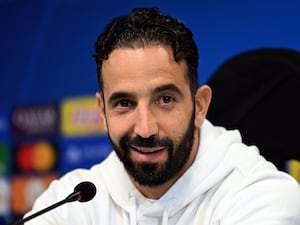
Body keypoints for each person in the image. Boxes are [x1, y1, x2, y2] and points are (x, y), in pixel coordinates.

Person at [24, 7, 300, 225]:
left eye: (165, 100)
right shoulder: (70, 202)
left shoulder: (260, 196)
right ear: (102, 112)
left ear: (200, 105)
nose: (145, 129)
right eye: (124, 103)